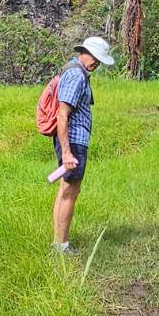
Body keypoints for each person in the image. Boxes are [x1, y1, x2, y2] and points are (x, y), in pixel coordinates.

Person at [52, 36, 114, 254]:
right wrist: (67, 153)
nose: (97, 63)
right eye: (95, 58)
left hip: (74, 142)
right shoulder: (77, 75)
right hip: (74, 143)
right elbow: (62, 114)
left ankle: (59, 242)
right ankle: (61, 246)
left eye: (100, 60)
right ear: (85, 52)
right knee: (70, 192)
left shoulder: (75, 72)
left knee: (65, 190)